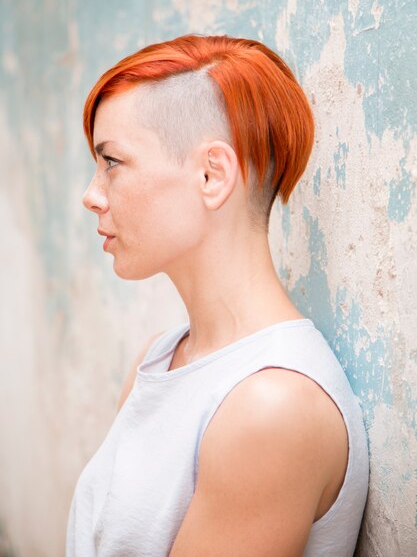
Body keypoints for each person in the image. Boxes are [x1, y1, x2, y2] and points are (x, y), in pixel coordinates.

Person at [66, 34, 369, 557]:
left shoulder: (271, 408)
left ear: (212, 174)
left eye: (112, 161)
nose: (92, 195)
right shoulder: (162, 358)